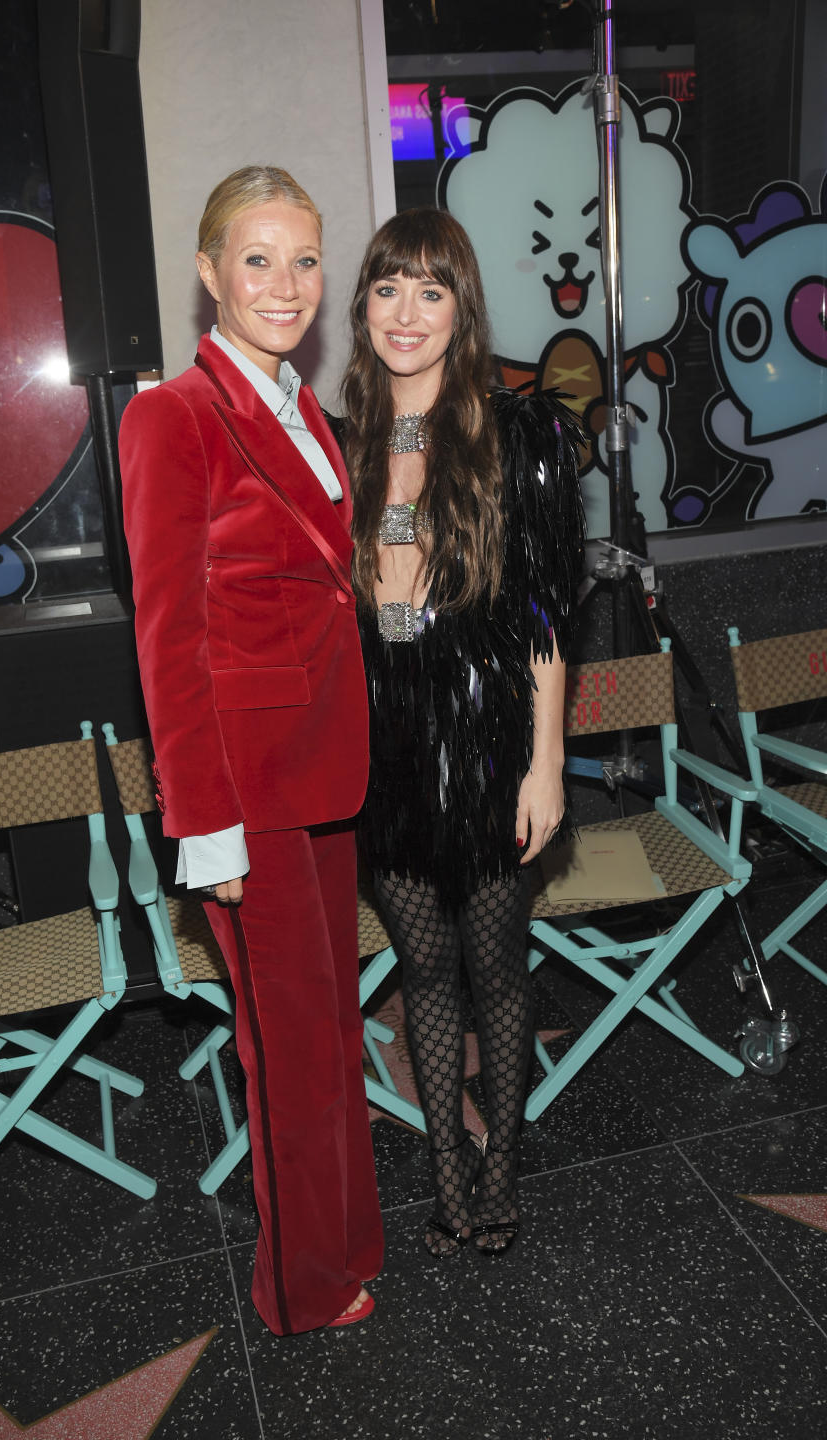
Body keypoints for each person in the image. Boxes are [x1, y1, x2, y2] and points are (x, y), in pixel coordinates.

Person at [118, 166, 383, 1333]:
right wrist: (203, 822)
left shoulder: (301, 406)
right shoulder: (171, 417)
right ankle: (304, 1288)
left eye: (306, 261)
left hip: (325, 769)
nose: (286, 285)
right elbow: (169, 640)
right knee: (285, 1054)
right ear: (209, 271)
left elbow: (322, 588)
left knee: (332, 1030)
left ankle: (350, 1241)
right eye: (260, 260)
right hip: (248, 795)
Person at [339, 208, 583, 1257]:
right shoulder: (333, 435)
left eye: (432, 290)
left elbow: (541, 619)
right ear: (363, 305)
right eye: (390, 287)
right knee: (423, 970)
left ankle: (504, 1166)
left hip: (487, 743)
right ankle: (446, 1172)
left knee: (497, 967)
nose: (408, 311)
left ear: (462, 311)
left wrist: (548, 767)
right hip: (380, 747)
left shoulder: (517, 434)